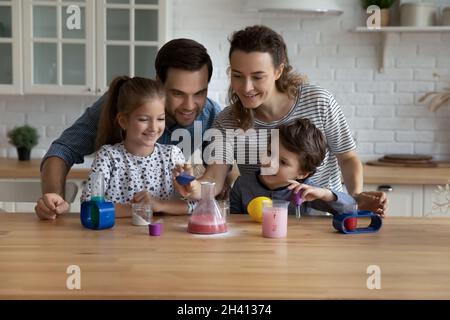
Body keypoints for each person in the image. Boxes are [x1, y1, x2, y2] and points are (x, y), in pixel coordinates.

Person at [174, 25, 387, 215]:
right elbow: (215, 178)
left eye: (257, 77)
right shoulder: (228, 121)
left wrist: (356, 196)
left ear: (278, 71)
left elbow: (347, 157)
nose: (246, 87)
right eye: (237, 75)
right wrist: (193, 188)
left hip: (325, 221)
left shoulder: (318, 102)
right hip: (262, 225)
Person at [35, 38, 221, 220]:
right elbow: (63, 149)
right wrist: (53, 199)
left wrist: (199, 186)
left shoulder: (212, 115)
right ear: (159, 82)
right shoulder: (124, 103)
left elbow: (214, 179)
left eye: (199, 93)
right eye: (177, 93)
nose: (189, 106)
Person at [81, 76, 195, 217]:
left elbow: (194, 205)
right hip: (116, 237)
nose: (154, 127)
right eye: (143, 119)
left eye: (160, 118)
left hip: (164, 238)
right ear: (123, 121)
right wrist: (140, 209)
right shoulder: (108, 156)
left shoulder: (172, 155)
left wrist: (160, 204)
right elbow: (89, 205)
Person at [230, 118, 358, 216]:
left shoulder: (306, 191)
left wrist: (326, 194)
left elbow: (351, 208)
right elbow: (233, 221)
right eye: (269, 153)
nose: (270, 163)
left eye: (283, 162)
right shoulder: (242, 185)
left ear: (302, 173)